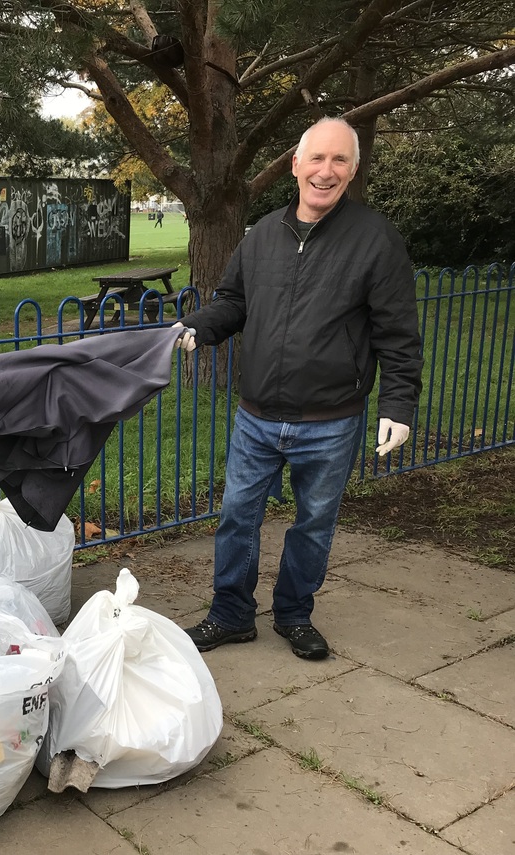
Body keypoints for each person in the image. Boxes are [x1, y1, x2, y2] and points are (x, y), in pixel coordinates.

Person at [174, 117, 421, 660]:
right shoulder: (262, 234)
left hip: (331, 420)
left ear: (352, 171)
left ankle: (292, 613)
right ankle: (232, 613)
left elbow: (398, 333)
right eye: (316, 159)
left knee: (312, 525)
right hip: (257, 415)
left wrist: (397, 405)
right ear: (295, 165)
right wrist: (200, 325)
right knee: (238, 515)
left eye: (338, 161)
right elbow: (234, 300)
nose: (325, 171)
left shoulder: (374, 239)